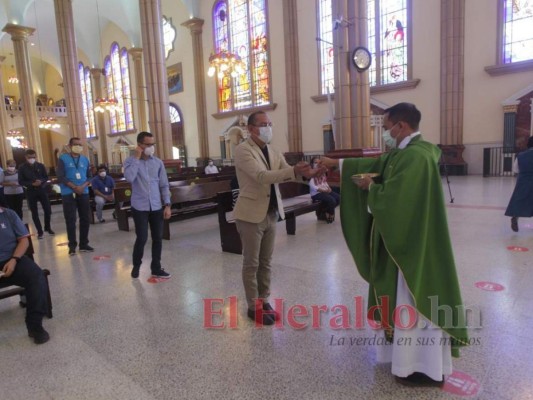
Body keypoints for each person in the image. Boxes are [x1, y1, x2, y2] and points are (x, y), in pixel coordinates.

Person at [320, 103, 468, 386]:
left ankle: (419, 366)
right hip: (406, 242)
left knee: (412, 300)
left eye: (387, 129)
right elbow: (377, 164)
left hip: (412, 248)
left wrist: (371, 189)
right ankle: (408, 361)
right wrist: (335, 164)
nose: (385, 135)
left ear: (401, 126)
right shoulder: (405, 153)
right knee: (405, 303)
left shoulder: (416, 157)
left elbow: (397, 200)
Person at [234, 111, 323, 326]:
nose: (268, 127)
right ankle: (252, 306)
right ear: (251, 128)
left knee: (266, 262)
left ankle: (264, 300)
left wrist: (307, 173)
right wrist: (293, 170)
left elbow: (287, 171)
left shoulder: (273, 150)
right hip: (250, 215)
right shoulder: (242, 150)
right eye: (264, 124)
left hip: (271, 212)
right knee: (251, 263)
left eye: (270, 123)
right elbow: (262, 177)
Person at [123, 131, 171, 280]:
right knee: (142, 237)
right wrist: (137, 157)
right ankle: (136, 265)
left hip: (156, 205)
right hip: (140, 206)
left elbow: (164, 184)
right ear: (140, 145)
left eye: (153, 144)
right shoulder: (129, 161)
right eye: (148, 144)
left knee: (157, 238)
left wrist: (167, 204)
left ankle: (156, 268)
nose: (151, 147)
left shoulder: (157, 162)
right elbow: (130, 178)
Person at [0, 206, 50, 344]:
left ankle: (35, 326)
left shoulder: (8, 214)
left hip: (12, 259)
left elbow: (24, 240)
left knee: (36, 277)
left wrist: (14, 260)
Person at [57, 137, 93, 256]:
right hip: (68, 192)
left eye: (80, 144)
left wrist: (82, 186)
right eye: (76, 144)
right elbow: (61, 176)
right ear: (70, 145)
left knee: (85, 218)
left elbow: (89, 176)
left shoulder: (85, 159)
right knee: (71, 219)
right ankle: (72, 245)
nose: (78, 146)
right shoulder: (63, 159)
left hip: (84, 191)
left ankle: (84, 244)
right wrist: (74, 187)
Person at [18, 149, 55, 239]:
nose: (32, 159)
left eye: (33, 157)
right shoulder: (22, 167)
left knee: (47, 209)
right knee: (34, 212)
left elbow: (46, 177)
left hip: (41, 189)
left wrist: (41, 181)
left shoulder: (40, 165)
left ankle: (47, 227)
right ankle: (40, 231)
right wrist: (31, 183)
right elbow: (21, 181)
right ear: (26, 157)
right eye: (30, 157)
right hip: (31, 191)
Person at [505, 136, 533, 232]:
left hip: (524, 181)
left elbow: (515, 169)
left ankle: (515, 217)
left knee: (519, 201)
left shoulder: (521, 155)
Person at [309, 157, 340, 223]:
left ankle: (324, 211)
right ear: (312, 164)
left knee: (339, 198)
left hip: (324, 190)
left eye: (319, 162)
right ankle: (331, 214)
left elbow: (324, 182)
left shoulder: (322, 171)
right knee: (332, 200)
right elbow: (312, 186)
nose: (317, 164)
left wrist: (329, 188)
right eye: (315, 162)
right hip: (316, 193)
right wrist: (322, 190)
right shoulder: (310, 172)